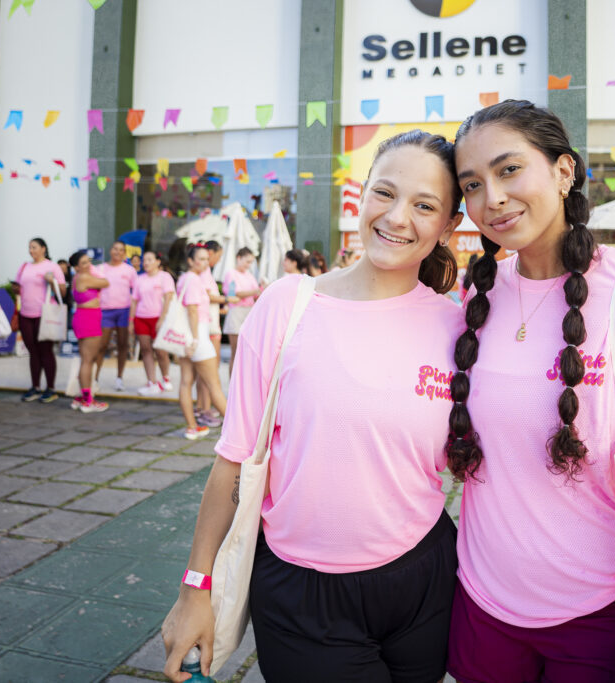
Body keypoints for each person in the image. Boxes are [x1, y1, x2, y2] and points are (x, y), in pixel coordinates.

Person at [161, 130, 464, 683]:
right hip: (302, 594)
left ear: (448, 226)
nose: (397, 218)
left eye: (424, 206)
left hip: (425, 581)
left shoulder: (459, 325)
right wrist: (195, 588)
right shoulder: (289, 305)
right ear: (361, 196)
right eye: (384, 193)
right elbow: (233, 461)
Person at [446, 100, 615, 682]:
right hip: (479, 611)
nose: (490, 198)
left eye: (509, 170)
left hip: (603, 618)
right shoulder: (472, 305)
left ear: (564, 171)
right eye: (471, 184)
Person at [174, 245, 228, 440]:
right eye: (201, 259)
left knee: (186, 382)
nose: (205, 262)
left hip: (186, 337)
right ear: (190, 261)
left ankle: (192, 426)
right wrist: (196, 339)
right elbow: (193, 310)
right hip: (198, 337)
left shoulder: (183, 279)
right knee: (214, 385)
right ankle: (236, 433)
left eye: (207, 259)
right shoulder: (194, 280)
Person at [14, 237, 66, 403]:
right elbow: (18, 287)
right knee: (33, 351)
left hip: (44, 314)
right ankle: (35, 386)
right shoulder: (24, 266)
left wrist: (52, 281)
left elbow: (63, 292)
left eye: (34, 247)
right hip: (26, 314)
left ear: (43, 249)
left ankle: (51, 388)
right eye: (30, 247)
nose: (31, 250)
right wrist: (15, 288)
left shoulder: (52, 266)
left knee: (45, 351)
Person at [68, 250, 110, 413]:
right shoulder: (84, 277)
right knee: (88, 360)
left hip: (84, 317)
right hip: (88, 318)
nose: (88, 265)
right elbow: (105, 282)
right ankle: (88, 400)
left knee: (86, 359)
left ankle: (83, 396)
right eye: (84, 263)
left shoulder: (78, 277)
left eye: (89, 262)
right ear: (77, 267)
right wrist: (96, 273)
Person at [94, 240, 138, 392]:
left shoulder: (129, 270)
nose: (117, 252)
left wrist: (133, 316)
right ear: (110, 250)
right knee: (101, 346)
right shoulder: (100, 269)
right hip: (105, 311)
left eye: (121, 250)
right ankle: (95, 378)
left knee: (123, 345)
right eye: (115, 249)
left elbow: (136, 293)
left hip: (124, 311)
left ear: (124, 254)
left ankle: (119, 378)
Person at [195, 241, 229, 427]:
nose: (218, 259)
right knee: (208, 373)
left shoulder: (205, 273)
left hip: (211, 325)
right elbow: (206, 297)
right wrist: (226, 298)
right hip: (208, 328)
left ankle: (203, 407)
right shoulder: (201, 274)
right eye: (218, 255)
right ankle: (204, 409)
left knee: (205, 373)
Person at [132, 251, 175, 396]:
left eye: (150, 260)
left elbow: (169, 298)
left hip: (158, 318)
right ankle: (151, 381)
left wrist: (163, 318)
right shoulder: (140, 279)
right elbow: (134, 301)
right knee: (146, 350)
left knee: (161, 350)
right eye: (144, 260)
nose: (146, 263)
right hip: (141, 317)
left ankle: (166, 378)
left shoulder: (165, 277)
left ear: (158, 262)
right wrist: (131, 321)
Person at [221, 247, 261, 377]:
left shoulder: (249, 275)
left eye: (251, 262)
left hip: (249, 312)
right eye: (247, 261)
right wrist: (256, 291)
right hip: (236, 312)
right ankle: (233, 382)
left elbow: (256, 294)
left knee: (247, 351)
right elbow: (236, 293)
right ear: (239, 258)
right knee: (236, 351)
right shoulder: (231, 274)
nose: (248, 265)